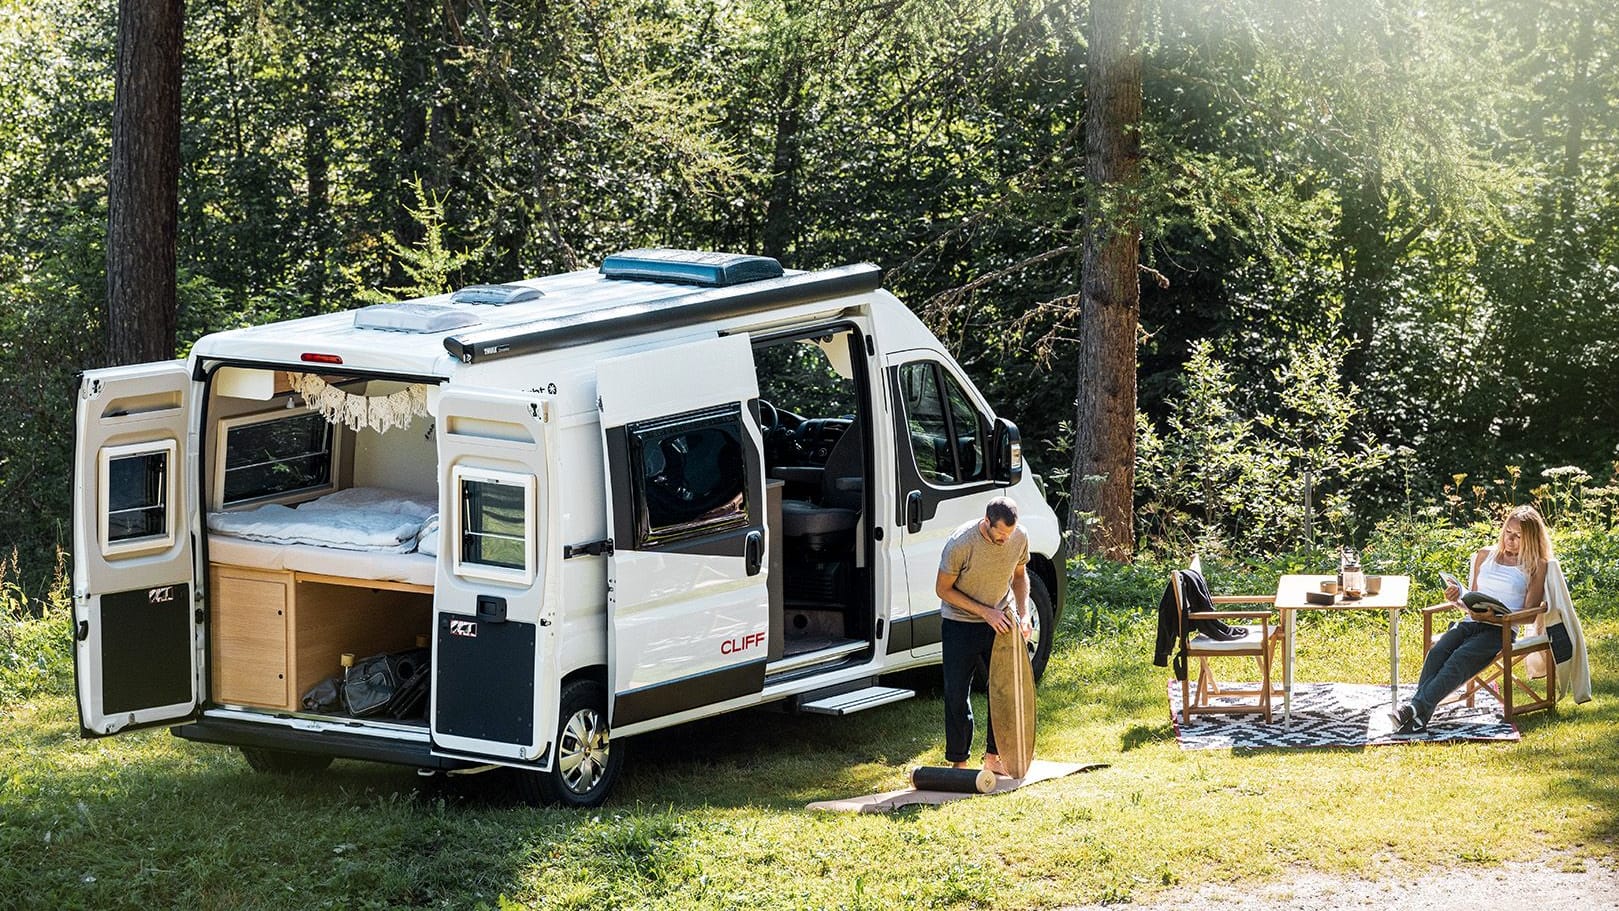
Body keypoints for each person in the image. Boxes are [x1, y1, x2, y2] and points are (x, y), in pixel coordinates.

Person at [1391, 505, 1551, 734]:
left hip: (1501, 630)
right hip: (1471, 621)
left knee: (1459, 659)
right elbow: (1472, 598)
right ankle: (1418, 717)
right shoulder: (1485, 556)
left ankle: (1413, 710)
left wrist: (1494, 618)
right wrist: (1457, 598)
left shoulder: (1536, 565)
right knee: (1437, 653)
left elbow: (1530, 615)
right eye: (1508, 532)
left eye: (1518, 536)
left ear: (1532, 539)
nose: (1511, 540)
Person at [935, 496, 1031, 774]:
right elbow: (943, 590)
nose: (1005, 539)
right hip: (959, 623)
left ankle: (994, 757)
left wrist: (1024, 613)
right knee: (956, 693)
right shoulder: (961, 543)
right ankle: (959, 761)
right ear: (986, 521)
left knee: (1003, 690)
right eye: (1000, 533)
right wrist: (984, 612)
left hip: (1000, 620)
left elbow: (1020, 575)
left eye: (1009, 533)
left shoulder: (1019, 536)